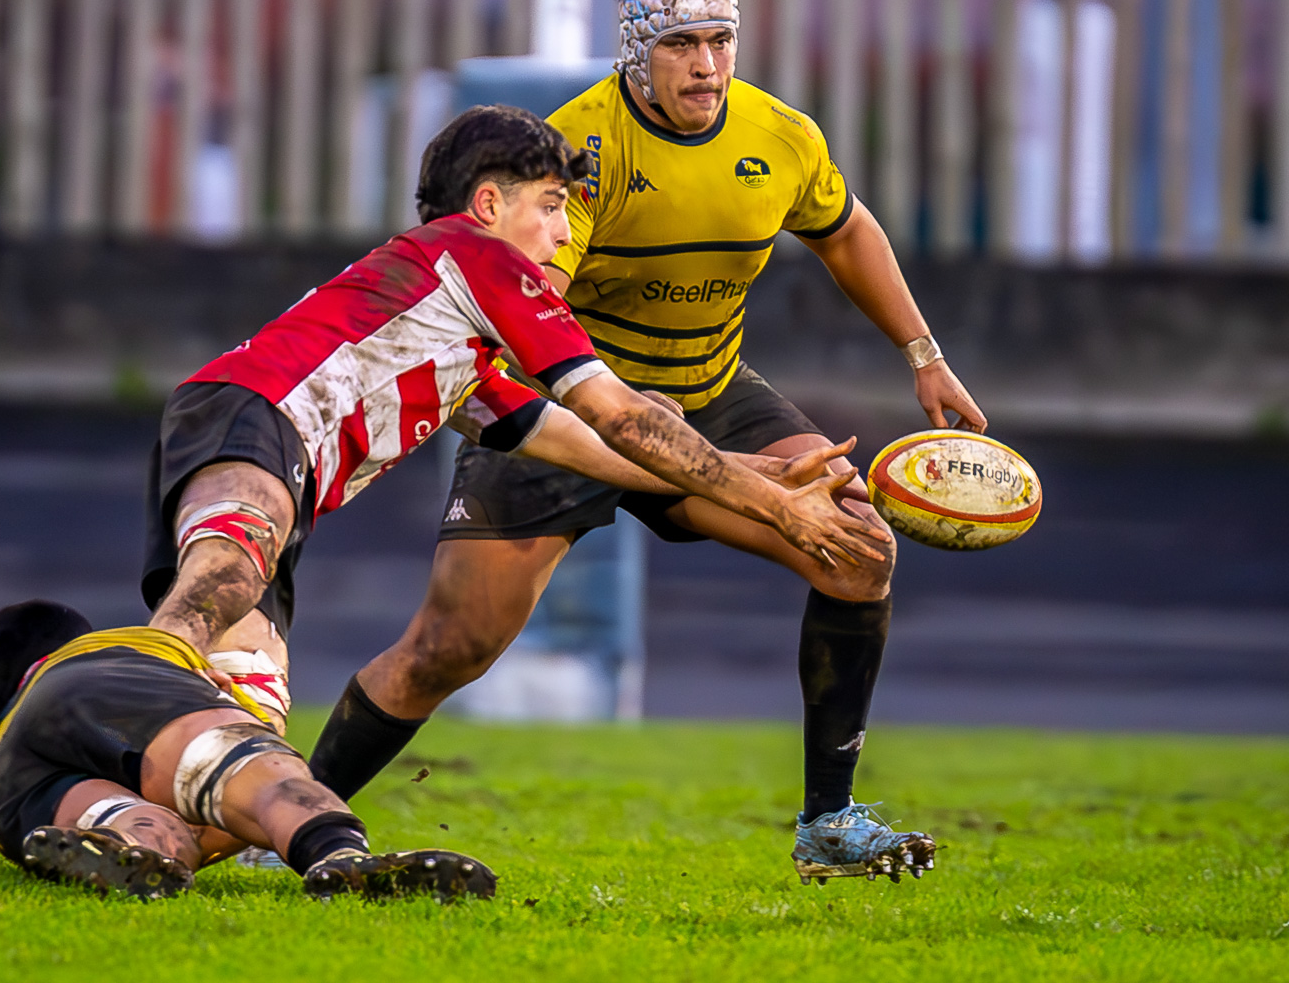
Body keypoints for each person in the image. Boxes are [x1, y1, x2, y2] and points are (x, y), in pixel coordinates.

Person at [306, 0, 977, 884]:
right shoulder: (576, 152)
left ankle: (829, 821)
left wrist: (926, 357)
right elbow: (528, 314)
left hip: (708, 391)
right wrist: (624, 423)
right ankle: (290, 818)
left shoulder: (780, 136)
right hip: (568, 406)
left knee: (857, 547)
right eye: (682, 45)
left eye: (721, 40)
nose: (707, 66)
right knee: (447, 649)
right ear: (635, 53)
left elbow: (847, 228)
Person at [136, 102, 884, 730]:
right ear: (490, 204)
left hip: (266, 449)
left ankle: (123, 819)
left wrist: (770, 473)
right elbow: (620, 419)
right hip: (254, 421)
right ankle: (93, 709)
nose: (564, 235)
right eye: (553, 207)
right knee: (222, 582)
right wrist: (780, 512)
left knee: (243, 720)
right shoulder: (483, 258)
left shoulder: (457, 346)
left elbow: (592, 451)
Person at [0, 599, 496, 901]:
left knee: (137, 818)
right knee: (254, 779)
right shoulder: (116, 645)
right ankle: (341, 856)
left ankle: (129, 840)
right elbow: (245, 649)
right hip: (100, 688)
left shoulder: (4, 733)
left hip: (8, 787)